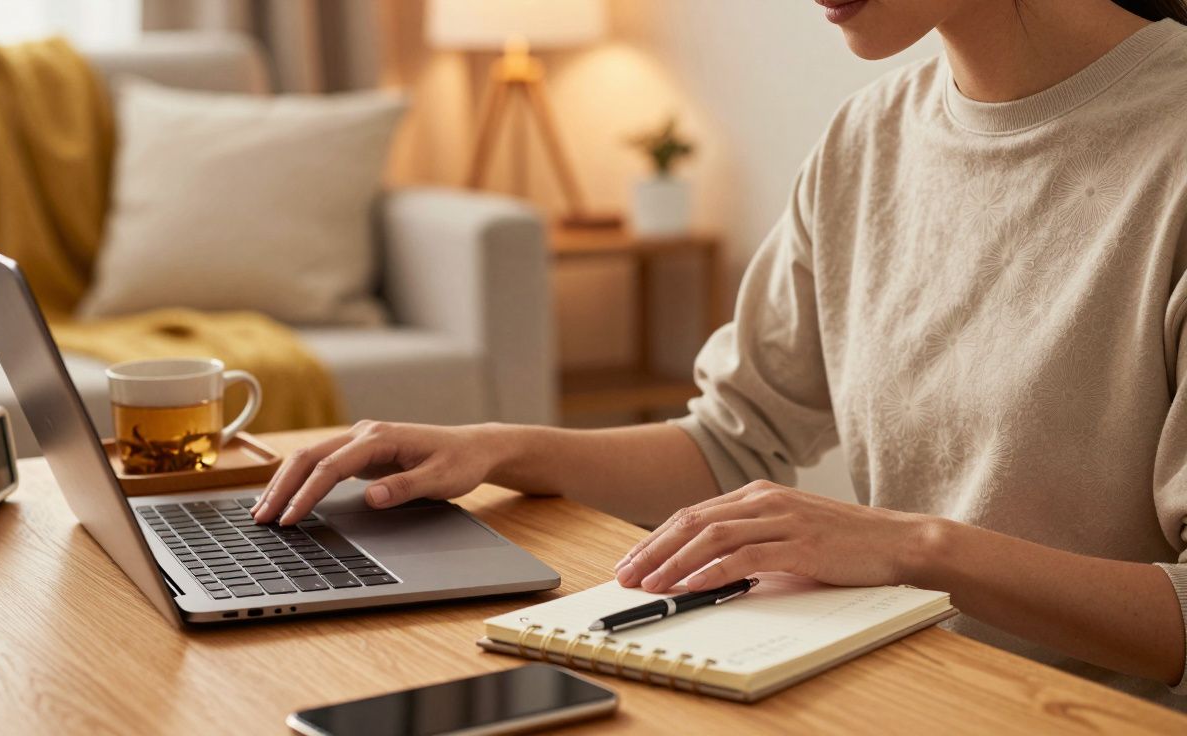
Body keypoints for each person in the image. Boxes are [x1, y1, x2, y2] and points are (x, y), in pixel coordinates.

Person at [254, 0, 1187, 705]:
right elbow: (731, 441)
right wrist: (501, 448)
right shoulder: (867, 138)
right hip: (896, 689)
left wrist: (913, 547)